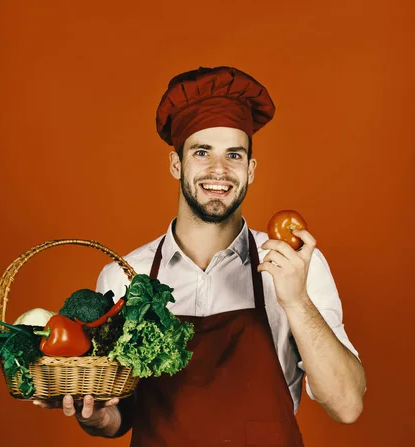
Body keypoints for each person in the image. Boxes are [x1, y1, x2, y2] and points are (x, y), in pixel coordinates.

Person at [34, 66, 367, 446]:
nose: (219, 170)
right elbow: (119, 415)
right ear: (177, 164)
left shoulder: (294, 266)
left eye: (234, 155)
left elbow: (347, 405)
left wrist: (296, 301)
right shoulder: (125, 275)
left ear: (251, 169)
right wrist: (101, 418)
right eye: (202, 152)